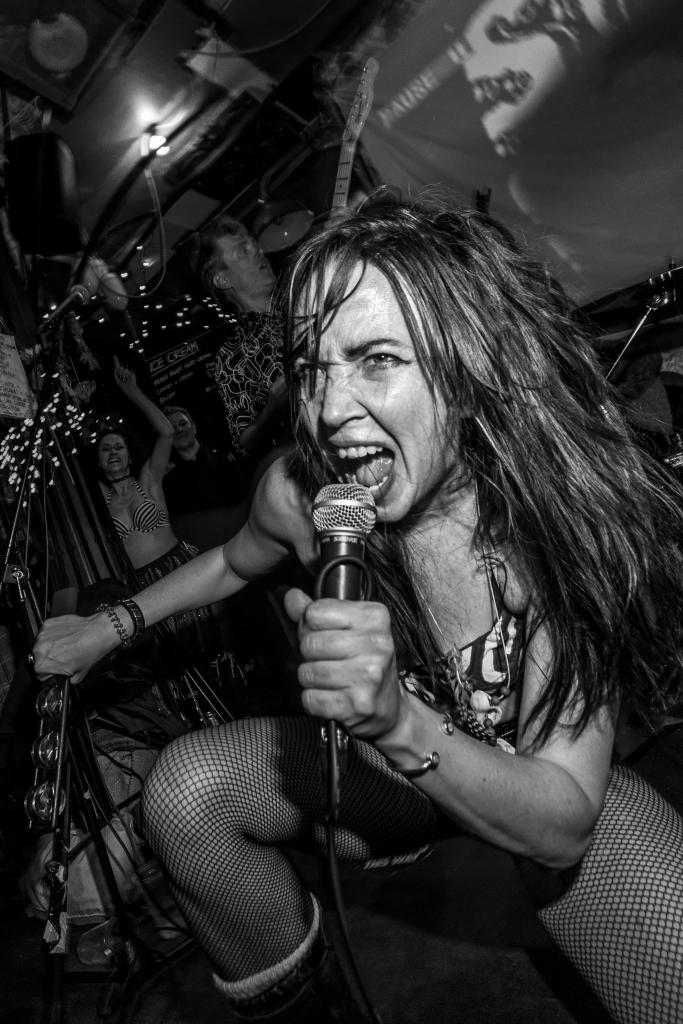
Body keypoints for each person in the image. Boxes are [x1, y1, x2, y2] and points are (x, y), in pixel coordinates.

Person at [32, 191, 683, 1024]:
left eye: (375, 358)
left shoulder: (554, 519)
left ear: (471, 363)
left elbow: (562, 824)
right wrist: (109, 625)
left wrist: (399, 719)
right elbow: (229, 562)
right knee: (185, 791)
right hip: (387, 790)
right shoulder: (304, 494)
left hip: (530, 784)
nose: (330, 411)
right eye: (312, 369)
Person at [190, 214, 291, 470]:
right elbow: (244, 444)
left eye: (253, 245)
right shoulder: (233, 356)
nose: (258, 251)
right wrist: (273, 407)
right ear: (222, 279)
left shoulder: (305, 296)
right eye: (242, 251)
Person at [162, 404, 249, 550]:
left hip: (243, 536)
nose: (179, 430)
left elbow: (245, 495)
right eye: (172, 427)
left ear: (194, 427)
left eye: (183, 423)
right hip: (210, 549)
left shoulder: (223, 455)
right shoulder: (169, 479)